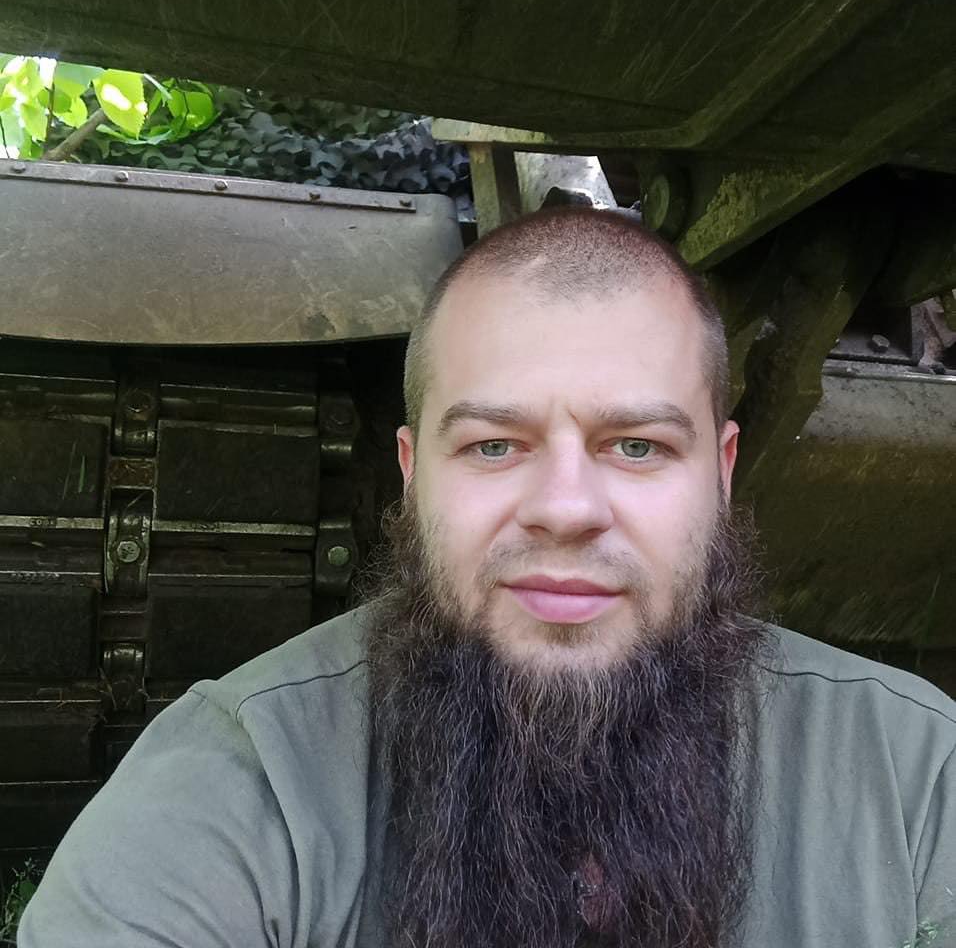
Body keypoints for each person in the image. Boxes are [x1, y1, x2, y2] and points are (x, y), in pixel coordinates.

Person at [18, 208, 956, 948]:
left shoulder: (917, 776)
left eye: (636, 445)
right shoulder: (238, 784)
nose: (566, 507)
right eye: (494, 445)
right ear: (411, 472)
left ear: (720, 470)